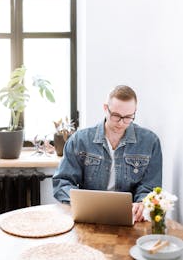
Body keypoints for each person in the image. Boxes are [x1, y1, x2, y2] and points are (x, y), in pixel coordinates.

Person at [52, 85, 162, 222]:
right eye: (116, 116)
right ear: (105, 108)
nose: (121, 123)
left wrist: (142, 203)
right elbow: (62, 181)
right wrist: (79, 203)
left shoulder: (150, 142)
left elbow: (150, 186)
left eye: (128, 117)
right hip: (89, 216)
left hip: (130, 217)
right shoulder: (80, 140)